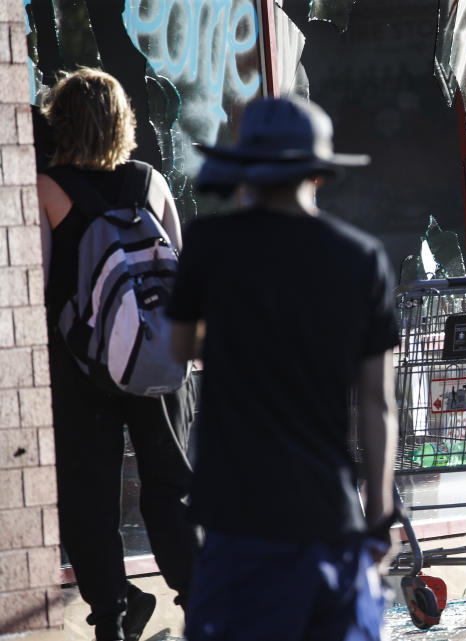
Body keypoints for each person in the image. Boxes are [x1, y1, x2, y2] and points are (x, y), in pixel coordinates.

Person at [165, 95, 400, 641]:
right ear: (319, 174)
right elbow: (377, 402)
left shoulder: (211, 244)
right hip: (329, 517)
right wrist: (380, 514)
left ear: (247, 169)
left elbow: (179, 347)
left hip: (238, 518)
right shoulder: (361, 258)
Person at [36, 68, 200, 641]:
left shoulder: (48, 189)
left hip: (81, 369)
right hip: (157, 360)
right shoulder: (150, 182)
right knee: (171, 485)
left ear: (62, 123)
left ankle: (112, 615)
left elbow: (38, 284)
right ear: (122, 121)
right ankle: (198, 601)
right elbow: (180, 264)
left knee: (90, 493)